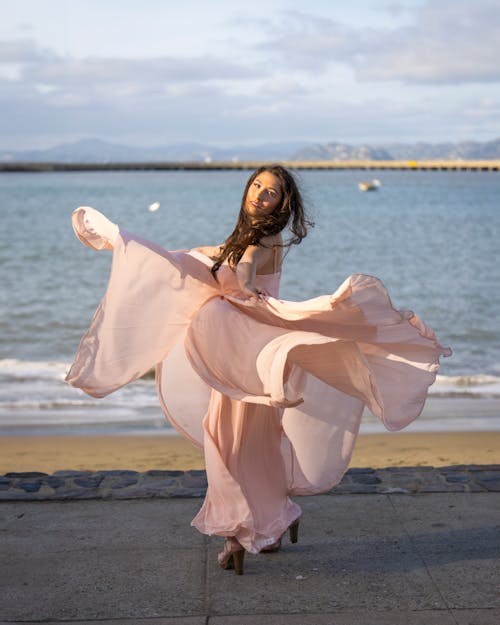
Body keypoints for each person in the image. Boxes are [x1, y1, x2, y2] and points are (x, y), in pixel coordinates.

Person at [66, 165, 451, 575]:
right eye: (256, 185)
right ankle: (278, 516)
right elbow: (204, 257)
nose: (260, 195)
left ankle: (237, 534)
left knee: (229, 444)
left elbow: (246, 267)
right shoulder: (246, 236)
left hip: (251, 359)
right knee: (251, 445)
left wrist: (245, 288)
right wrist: (134, 248)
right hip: (246, 358)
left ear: (282, 204)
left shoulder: (264, 237)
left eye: (271, 192)